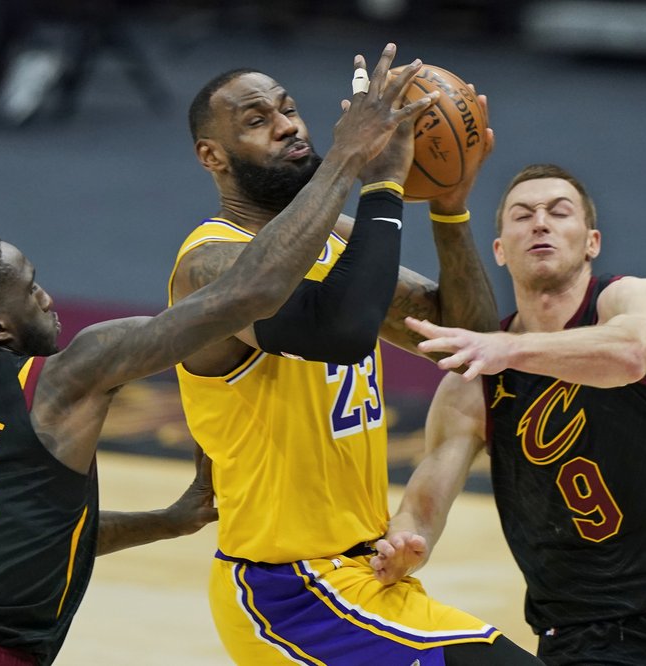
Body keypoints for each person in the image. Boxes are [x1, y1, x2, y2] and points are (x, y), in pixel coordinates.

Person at [0, 43, 435, 666]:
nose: (47, 296)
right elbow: (245, 296)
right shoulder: (66, 375)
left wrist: (168, 520)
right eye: (30, 288)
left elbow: (24, 540)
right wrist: (351, 159)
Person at [169, 46, 542, 664]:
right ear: (212, 156)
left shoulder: (337, 237)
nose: (287, 126)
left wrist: (449, 205)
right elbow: (338, 331)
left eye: (289, 109)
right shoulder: (211, 264)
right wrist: (374, 179)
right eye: (257, 120)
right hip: (288, 591)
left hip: (369, 574)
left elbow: (470, 345)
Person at [375, 163, 646, 664]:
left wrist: (509, 349)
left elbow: (631, 355)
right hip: (585, 639)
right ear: (500, 250)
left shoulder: (630, 299)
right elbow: (423, 507)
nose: (540, 223)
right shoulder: (474, 383)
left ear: (592, 242)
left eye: (559, 211)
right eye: (522, 215)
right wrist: (405, 544)